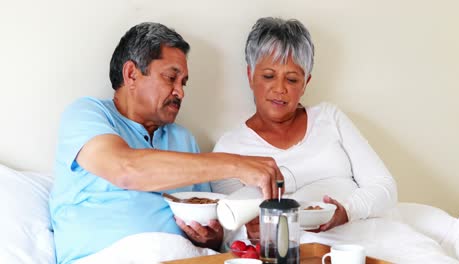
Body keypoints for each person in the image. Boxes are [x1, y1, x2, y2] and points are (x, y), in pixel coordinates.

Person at [49, 22, 284, 264]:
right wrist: (237, 165)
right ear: (131, 74)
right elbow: (126, 170)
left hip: (185, 257)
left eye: (183, 82)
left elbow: (210, 225)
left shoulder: (182, 138)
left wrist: (210, 237)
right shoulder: (86, 115)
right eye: (171, 78)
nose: (180, 92)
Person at [211, 17, 398, 238]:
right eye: (269, 76)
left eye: (291, 80)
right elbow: (231, 230)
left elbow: (385, 187)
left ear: (306, 83)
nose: (280, 89)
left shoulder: (330, 118)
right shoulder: (229, 147)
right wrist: (252, 232)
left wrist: (346, 211)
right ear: (251, 75)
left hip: (361, 238)